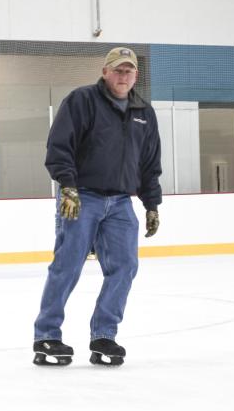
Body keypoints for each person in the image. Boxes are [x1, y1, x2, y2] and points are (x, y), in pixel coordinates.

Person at [32, 47, 162, 367]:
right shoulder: (82, 101)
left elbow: (149, 164)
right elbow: (59, 146)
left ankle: (104, 335)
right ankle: (47, 335)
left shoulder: (143, 110)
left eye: (129, 71)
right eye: (117, 70)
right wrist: (68, 187)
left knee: (125, 267)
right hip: (82, 197)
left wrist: (152, 204)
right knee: (67, 266)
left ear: (136, 75)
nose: (123, 76)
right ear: (105, 72)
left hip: (120, 202)